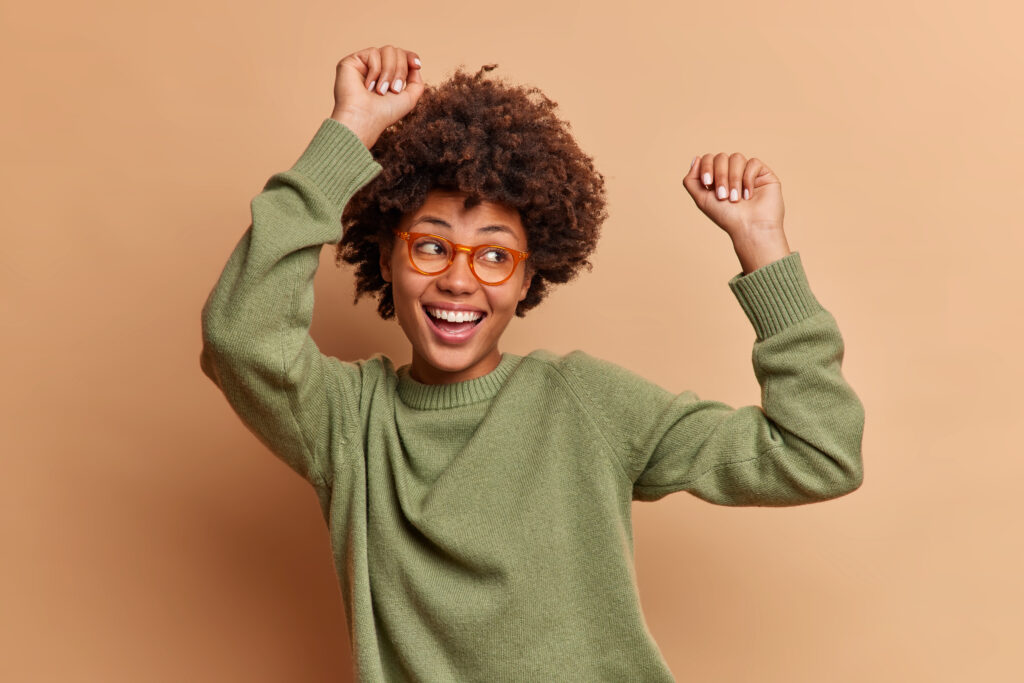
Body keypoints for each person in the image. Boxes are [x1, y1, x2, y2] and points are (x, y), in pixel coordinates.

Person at [199, 44, 864, 682]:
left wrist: (763, 247)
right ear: (386, 259)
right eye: (431, 246)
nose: (460, 281)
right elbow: (241, 333)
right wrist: (348, 133)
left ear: (528, 279)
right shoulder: (348, 423)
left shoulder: (583, 402)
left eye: (494, 256)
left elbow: (817, 452)